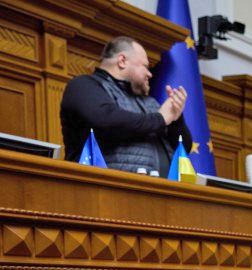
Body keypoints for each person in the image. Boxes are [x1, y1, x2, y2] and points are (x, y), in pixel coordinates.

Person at [60, 36, 192, 173]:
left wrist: (176, 117)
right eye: (146, 67)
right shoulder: (83, 85)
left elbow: (183, 149)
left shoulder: (151, 103)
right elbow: (106, 120)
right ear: (122, 61)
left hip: (161, 189)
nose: (150, 74)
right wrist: (161, 118)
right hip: (106, 189)